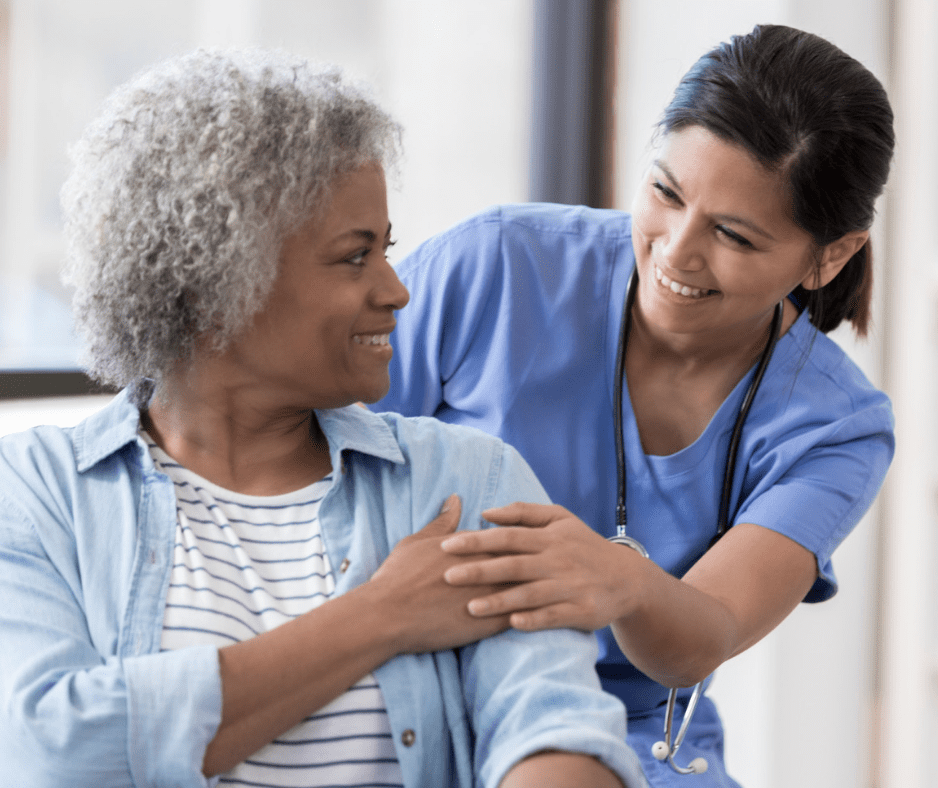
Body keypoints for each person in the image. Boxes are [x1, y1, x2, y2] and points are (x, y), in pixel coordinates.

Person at [0, 48, 649, 788]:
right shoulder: (32, 495)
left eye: (387, 249)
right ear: (218, 288)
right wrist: (382, 614)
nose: (397, 291)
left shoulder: (469, 479)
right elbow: (49, 749)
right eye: (354, 258)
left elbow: (553, 726)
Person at [373, 24, 895, 787]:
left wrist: (621, 581)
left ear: (831, 255)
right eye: (665, 193)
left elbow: (700, 638)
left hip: (637, 735)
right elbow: (310, 449)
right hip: (413, 678)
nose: (676, 252)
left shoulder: (838, 428)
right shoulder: (499, 265)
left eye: (734, 237)